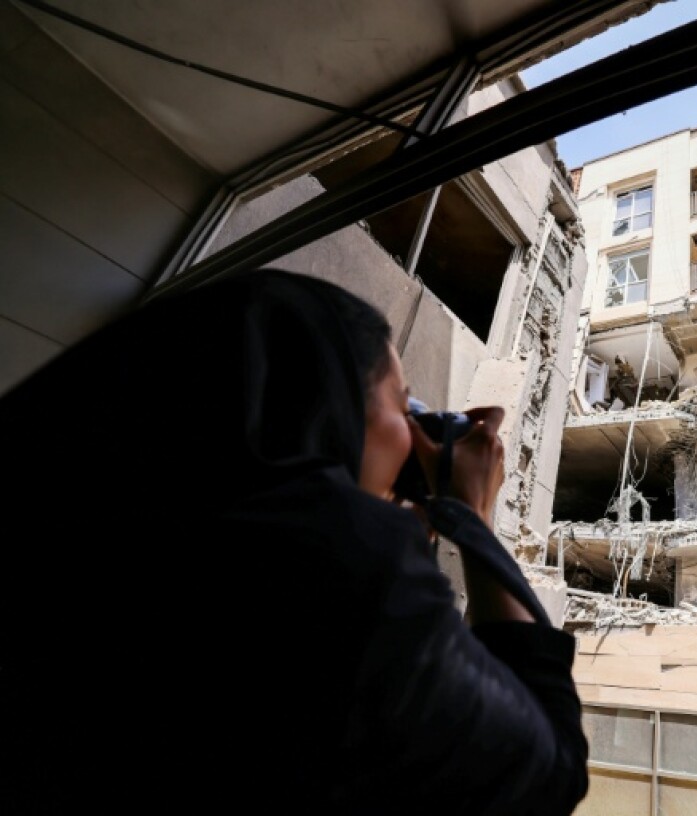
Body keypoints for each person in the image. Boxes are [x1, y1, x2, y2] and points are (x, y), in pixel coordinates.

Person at [0, 270, 588, 813]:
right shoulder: (340, 571)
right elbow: (547, 775)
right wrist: (471, 517)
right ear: (331, 407)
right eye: (402, 403)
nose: (415, 433)